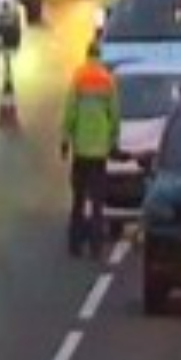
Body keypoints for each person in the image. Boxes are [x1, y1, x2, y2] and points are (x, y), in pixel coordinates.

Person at [60, 42, 120, 258]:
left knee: (78, 199)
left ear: (87, 55)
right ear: (99, 56)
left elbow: (70, 111)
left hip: (81, 149)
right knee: (97, 202)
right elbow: (114, 114)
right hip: (100, 151)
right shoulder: (107, 79)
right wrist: (113, 140)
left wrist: (65, 139)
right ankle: (96, 246)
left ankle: (75, 245)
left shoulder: (79, 77)